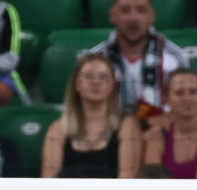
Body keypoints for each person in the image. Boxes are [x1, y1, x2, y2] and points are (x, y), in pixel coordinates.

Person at [88, 0, 190, 120]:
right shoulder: (94, 59)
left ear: (151, 16)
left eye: (141, 10)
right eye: (125, 10)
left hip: (160, 131)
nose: (133, 18)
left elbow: (185, 110)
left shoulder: (175, 58)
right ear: (112, 15)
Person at [42, 52, 142, 180]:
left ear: (113, 85)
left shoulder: (127, 126)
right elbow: (48, 180)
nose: (96, 82)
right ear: (76, 84)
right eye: (88, 76)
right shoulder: (58, 129)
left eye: (104, 77)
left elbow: (127, 179)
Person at [143, 68, 197, 179]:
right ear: (167, 98)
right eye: (179, 93)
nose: (187, 98)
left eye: (193, 91)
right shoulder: (158, 136)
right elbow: (153, 183)